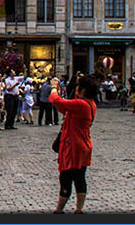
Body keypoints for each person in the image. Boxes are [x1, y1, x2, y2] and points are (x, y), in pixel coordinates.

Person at [49, 75, 98, 214]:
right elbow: (64, 108)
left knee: (66, 176)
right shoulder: (90, 104)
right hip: (84, 144)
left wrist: (54, 87)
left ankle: (59, 209)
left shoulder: (81, 104)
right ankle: (79, 208)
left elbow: (56, 100)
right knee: (80, 177)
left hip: (73, 146)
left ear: (82, 90)